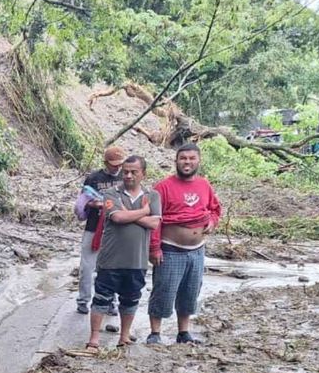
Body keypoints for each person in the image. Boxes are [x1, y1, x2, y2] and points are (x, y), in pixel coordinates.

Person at [146, 143, 222, 345]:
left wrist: (212, 222)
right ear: (176, 161)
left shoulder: (204, 185)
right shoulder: (162, 187)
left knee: (190, 291)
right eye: (183, 158)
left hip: (197, 251)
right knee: (164, 290)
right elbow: (154, 220)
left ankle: (183, 332)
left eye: (191, 158)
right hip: (170, 249)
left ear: (198, 161)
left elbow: (215, 209)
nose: (187, 162)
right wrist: (154, 248)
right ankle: (155, 333)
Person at [86, 156, 160, 349]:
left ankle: (124, 335)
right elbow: (117, 217)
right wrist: (144, 212)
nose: (128, 175)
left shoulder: (152, 196)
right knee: (101, 298)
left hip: (137, 261)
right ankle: (94, 339)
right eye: (125, 171)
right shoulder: (112, 193)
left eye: (133, 172)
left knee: (131, 299)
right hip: (110, 259)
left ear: (143, 173)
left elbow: (155, 223)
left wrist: (132, 214)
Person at [76, 146, 126, 317]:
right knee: (87, 267)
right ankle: (83, 300)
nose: (117, 168)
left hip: (116, 230)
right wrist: (95, 204)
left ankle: (110, 301)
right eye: (113, 165)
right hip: (93, 227)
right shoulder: (93, 178)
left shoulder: (125, 176)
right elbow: (83, 202)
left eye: (119, 164)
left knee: (112, 268)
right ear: (105, 163)